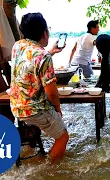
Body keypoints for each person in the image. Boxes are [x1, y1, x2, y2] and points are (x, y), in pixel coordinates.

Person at [10, 13, 69, 163]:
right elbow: (52, 93)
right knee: (63, 137)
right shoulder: (43, 57)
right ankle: (49, 170)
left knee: (54, 126)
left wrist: (51, 52)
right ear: (45, 32)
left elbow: (31, 61)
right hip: (34, 109)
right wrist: (57, 109)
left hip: (16, 107)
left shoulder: (18, 45)